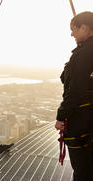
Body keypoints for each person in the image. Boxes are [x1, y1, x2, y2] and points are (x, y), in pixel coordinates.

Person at [55, 11, 93, 180]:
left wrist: (61, 116)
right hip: (89, 119)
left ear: (84, 28)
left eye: (74, 30)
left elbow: (75, 89)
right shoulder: (86, 51)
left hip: (83, 121)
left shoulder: (85, 54)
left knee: (82, 169)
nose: (72, 34)